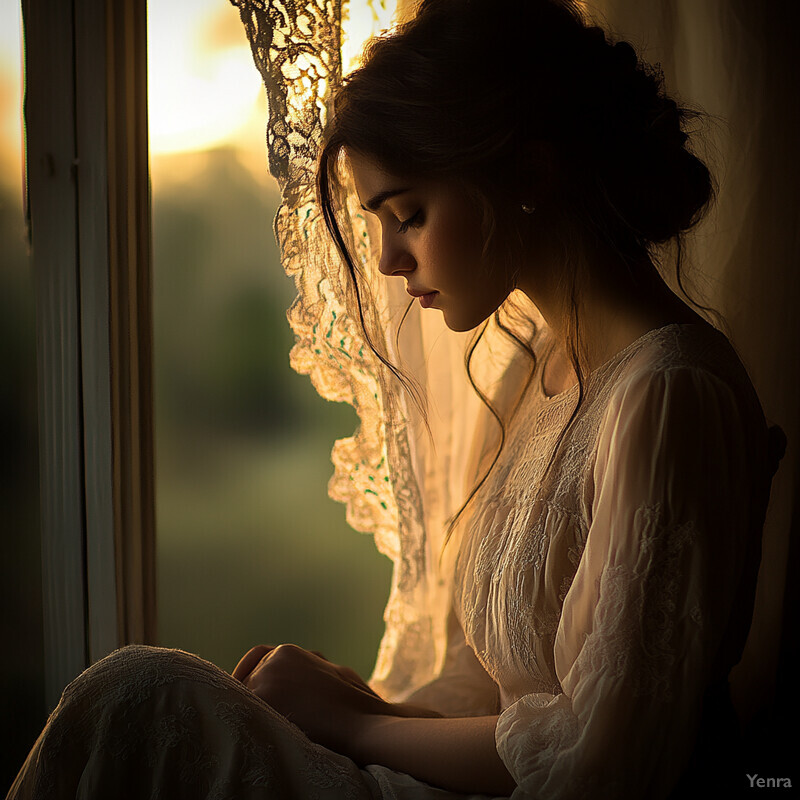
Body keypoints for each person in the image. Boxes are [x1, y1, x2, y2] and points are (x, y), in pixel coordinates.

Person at [8, 0, 775, 798]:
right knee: (142, 703)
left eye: (408, 214)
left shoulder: (668, 395)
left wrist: (352, 724)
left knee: (143, 696)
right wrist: (365, 706)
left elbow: (600, 762)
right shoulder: (542, 372)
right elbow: (520, 709)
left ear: (530, 177)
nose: (385, 260)